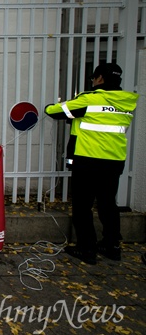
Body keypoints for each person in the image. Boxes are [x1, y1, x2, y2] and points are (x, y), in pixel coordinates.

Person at [45, 63, 139, 265]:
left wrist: (47, 108)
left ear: (100, 79)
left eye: (94, 78)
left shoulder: (89, 100)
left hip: (87, 161)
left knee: (82, 206)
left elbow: (55, 111)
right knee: (108, 205)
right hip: (114, 161)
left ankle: (86, 249)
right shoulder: (126, 103)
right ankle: (112, 246)